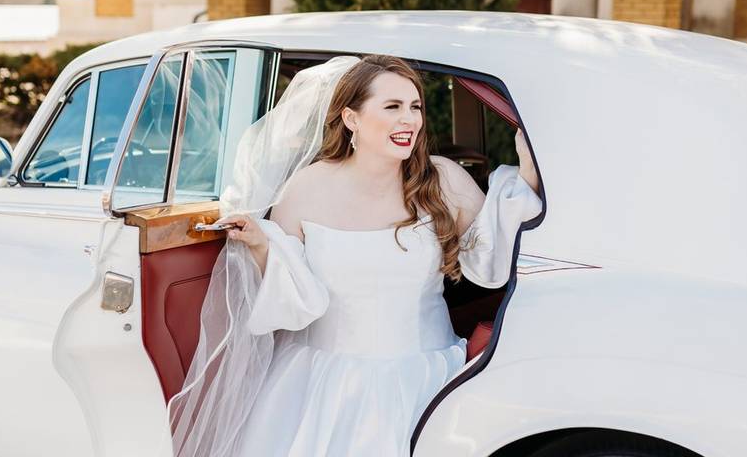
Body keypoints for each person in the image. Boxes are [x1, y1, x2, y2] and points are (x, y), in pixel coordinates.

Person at [168, 55, 542, 457]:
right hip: (321, 385)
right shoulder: (305, 188)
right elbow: (294, 296)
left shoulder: (443, 178)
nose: (410, 120)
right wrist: (261, 244)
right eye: (393, 107)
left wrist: (529, 169)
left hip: (426, 380)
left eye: (415, 107)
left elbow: (490, 256)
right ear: (352, 119)